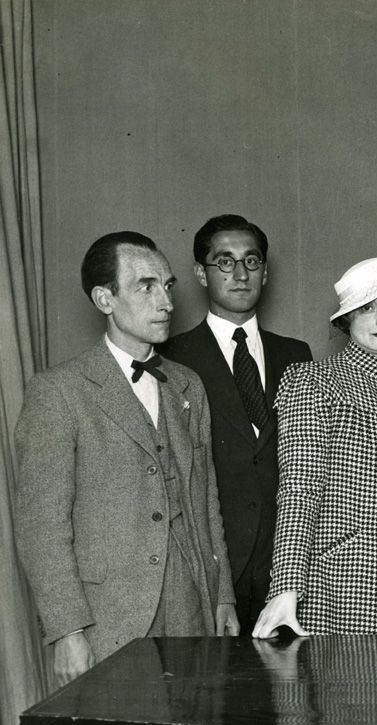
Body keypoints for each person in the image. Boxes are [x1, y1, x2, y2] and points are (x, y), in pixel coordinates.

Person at [15, 231, 238, 686]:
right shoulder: (58, 391)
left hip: (192, 609)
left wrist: (223, 596)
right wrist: (67, 630)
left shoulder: (187, 385)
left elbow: (206, 499)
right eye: (145, 286)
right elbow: (42, 526)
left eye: (168, 286)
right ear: (104, 299)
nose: (167, 302)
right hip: (107, 621)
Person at [252, 252, 377, 636]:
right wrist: (286, 587)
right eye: (368, 309)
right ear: (346, 320)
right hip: (345, 588)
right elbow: (299, 489)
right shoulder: (313, 381)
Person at [161, 214, 312, 635]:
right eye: (224, 261)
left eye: (252, 260)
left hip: (286, 569)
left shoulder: (297, 355)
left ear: (265, 271)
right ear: (200, 273)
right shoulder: (171, 358)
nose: (241, 273)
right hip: (213, 570)